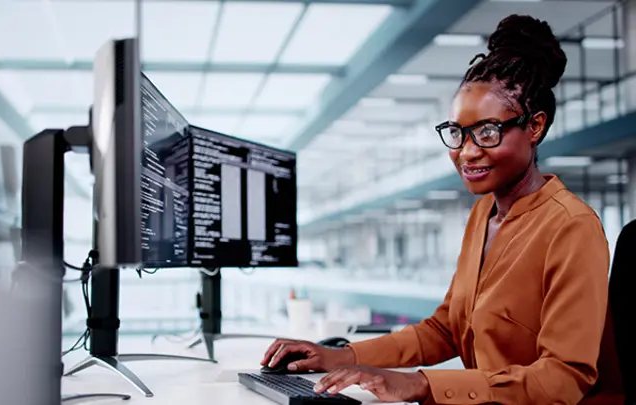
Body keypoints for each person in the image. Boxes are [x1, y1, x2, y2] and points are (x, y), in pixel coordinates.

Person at [261, 14, 624, 405]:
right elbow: (446, 329)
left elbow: (563, 379)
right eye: (457, 133)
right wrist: (339, 356)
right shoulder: (483, 214)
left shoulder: (572, 227)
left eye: (488, 132)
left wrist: (422, 384)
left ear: (535, 126)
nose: (466, 152)